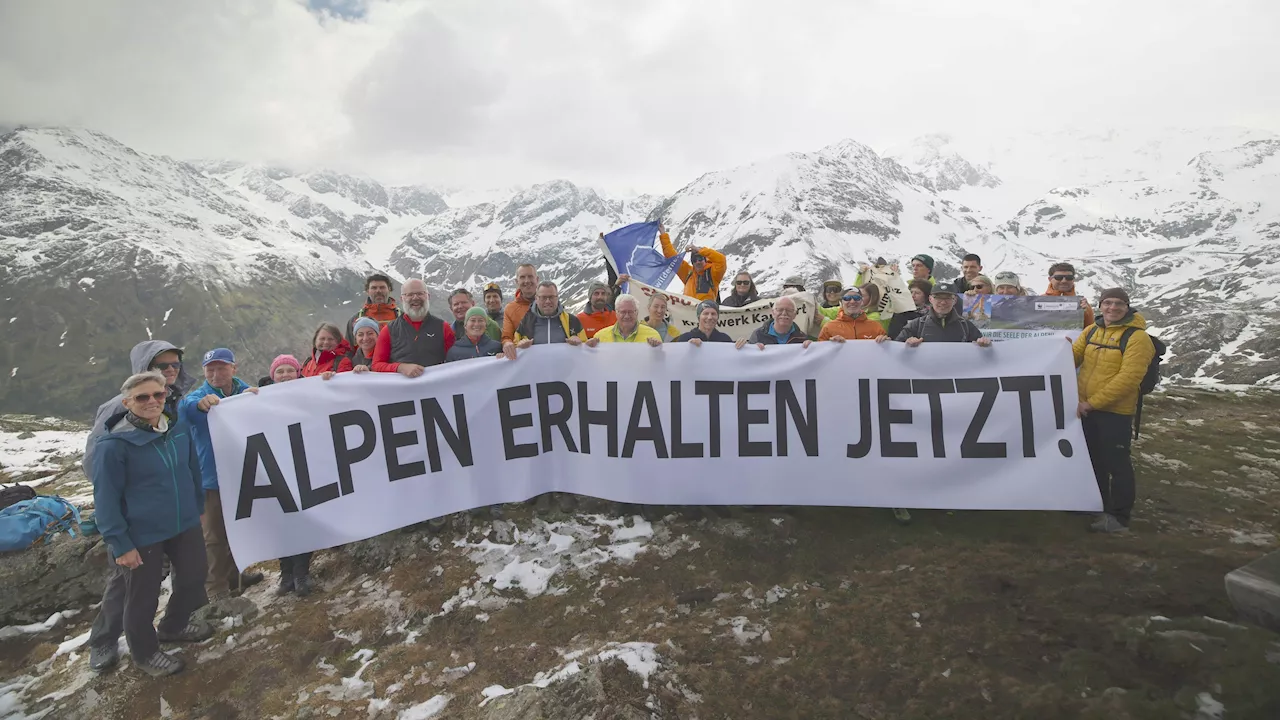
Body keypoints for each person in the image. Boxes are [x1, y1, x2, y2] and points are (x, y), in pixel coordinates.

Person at [87, 370, 212, 677]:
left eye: (158, 394)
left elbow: (191, 468)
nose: (152, 401)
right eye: (142, 397)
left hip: (184, 521)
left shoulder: (177, 428)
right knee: (141, 597)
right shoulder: (113, 444)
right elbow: (106, 500)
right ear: (127, 402)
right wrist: (120, 543)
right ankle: (144, 653)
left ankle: (174, 625)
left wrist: (197, 506)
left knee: (195, 575)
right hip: (141, 531)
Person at [180, 349, 263, 600]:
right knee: (214, 536)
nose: (215, 374)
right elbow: (184, 409)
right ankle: (216, 588)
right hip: (212, 479)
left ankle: (235, 575)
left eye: (221, 368)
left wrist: (257, 399)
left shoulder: (244, 391)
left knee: (238, 529)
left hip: (242, 475)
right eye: (210, 370)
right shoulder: (200, 397)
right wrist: (198, 404)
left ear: (233, 369)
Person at [1072, 288, 1155, 534]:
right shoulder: (1091, 331)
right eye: (1107, 303)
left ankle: (1119, 517)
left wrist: (1092, 402)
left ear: (1127, 307)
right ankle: (1097, 506)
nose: (1112, 308)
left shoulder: (1138, 338)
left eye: (1119, 303)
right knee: (1092, 460)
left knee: (1116, 464)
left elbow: (1129, 379)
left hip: (1114, 412)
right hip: (1086, 409)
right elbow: (1071, 358)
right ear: (1100, 306)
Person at [86, 341, 196, 478]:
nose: (171, 369)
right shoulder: (120, 405)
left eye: (176, 364)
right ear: (145, 368)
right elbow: (94, 458)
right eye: (162, 366)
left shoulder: (176, 400)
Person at [263, 355, 319, 595]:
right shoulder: (258, 399)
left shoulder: (310, 393)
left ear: (299, 373)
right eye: (280, 371)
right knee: (280, 523)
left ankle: (301, 573)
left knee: (303, 519)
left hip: (303, 466)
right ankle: (285, 574)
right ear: (272, 376)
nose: (285, 375)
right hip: (274, 467)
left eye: (290, 370)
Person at [371, 279, 455, 376]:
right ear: (402, 298)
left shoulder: (443, 327)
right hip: (401, 390)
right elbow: (376, 365)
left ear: (428, 296)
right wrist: (400, 367)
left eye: (420, 293)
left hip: (435, 389)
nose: (415, 298)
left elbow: (454, 362)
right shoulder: (388, 330)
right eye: (410, 294)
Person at [886, 281, 992, 346]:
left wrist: (983, 343)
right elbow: (896, 350)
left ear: (955, 300)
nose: (943, 302)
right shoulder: (916, 325)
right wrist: (906, 344)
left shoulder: (966, 326)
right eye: (938, 298)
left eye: (948, 298)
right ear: (931, 299)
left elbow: (982, 349)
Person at [508, 281, 591, 358]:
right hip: (535, 372)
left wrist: (580, 343)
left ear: (557, 298)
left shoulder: (572, 321)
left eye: (551, 297)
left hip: (567, 372)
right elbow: (514, 349)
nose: (548, 301)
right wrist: (520, 346)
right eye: (543, 297)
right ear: (536, 299)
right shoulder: (526, 321)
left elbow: (586, 349)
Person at [659, 226, 727, 302]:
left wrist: (698, 249)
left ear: (705, 260)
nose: (698, 262)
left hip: (706, 312)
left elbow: (721, 260)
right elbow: (671, 257)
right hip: (688, 311)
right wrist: (663, 234)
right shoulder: (688, 273)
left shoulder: (713, 273)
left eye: (700, 259)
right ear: (692, 262)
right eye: (694, 260)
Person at [345, 273, 402, 345]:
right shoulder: (355, 320)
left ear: (389, 289)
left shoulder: (401, 317)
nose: (378, 291)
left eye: (382, 287)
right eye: (374, 288)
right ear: (367, 291)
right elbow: (348, 350)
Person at [737, 296, 811, 349]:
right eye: (780, 309)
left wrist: (812, 348)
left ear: (795, 314)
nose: (784, 313)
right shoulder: (758, 335)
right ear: (773, 313)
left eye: (789, 310)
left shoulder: (802, 338)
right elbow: (750, 361)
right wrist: (747, 348)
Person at [818, 287, 887, 341]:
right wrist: (830, 345)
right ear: (841, 302)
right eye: (847, 298)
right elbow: (819, 354)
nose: (852, 301)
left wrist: (886, 343)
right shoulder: (829, 327)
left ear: (862, 301)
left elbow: (886, 353)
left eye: (856, 298)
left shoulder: (876, 327)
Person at [597, 295, 664, 345]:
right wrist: (588, 347)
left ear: (637, 313)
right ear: (616, 313)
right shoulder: (600, 337)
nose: (627, 316)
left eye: (631, 312)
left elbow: (659, 361)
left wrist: (658, 350)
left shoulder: (653, 335)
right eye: (623, 312)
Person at [1045, 262, 1096, 328]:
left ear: (1073, 279)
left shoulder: (1082, 304)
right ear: (1050, 279)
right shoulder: (1037, 301)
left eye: (1069, 277)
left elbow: (1090, 330)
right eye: (1058, 277)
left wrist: (1086, 313)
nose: (1064, 281)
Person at [502, 264, 539, 343]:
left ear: (537, 279)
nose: (527, 281)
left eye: (530, 276)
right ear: (517, 281)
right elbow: (506, 338)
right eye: (522, 277)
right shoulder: (510, 309)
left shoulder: (549, 304)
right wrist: (507, 344)